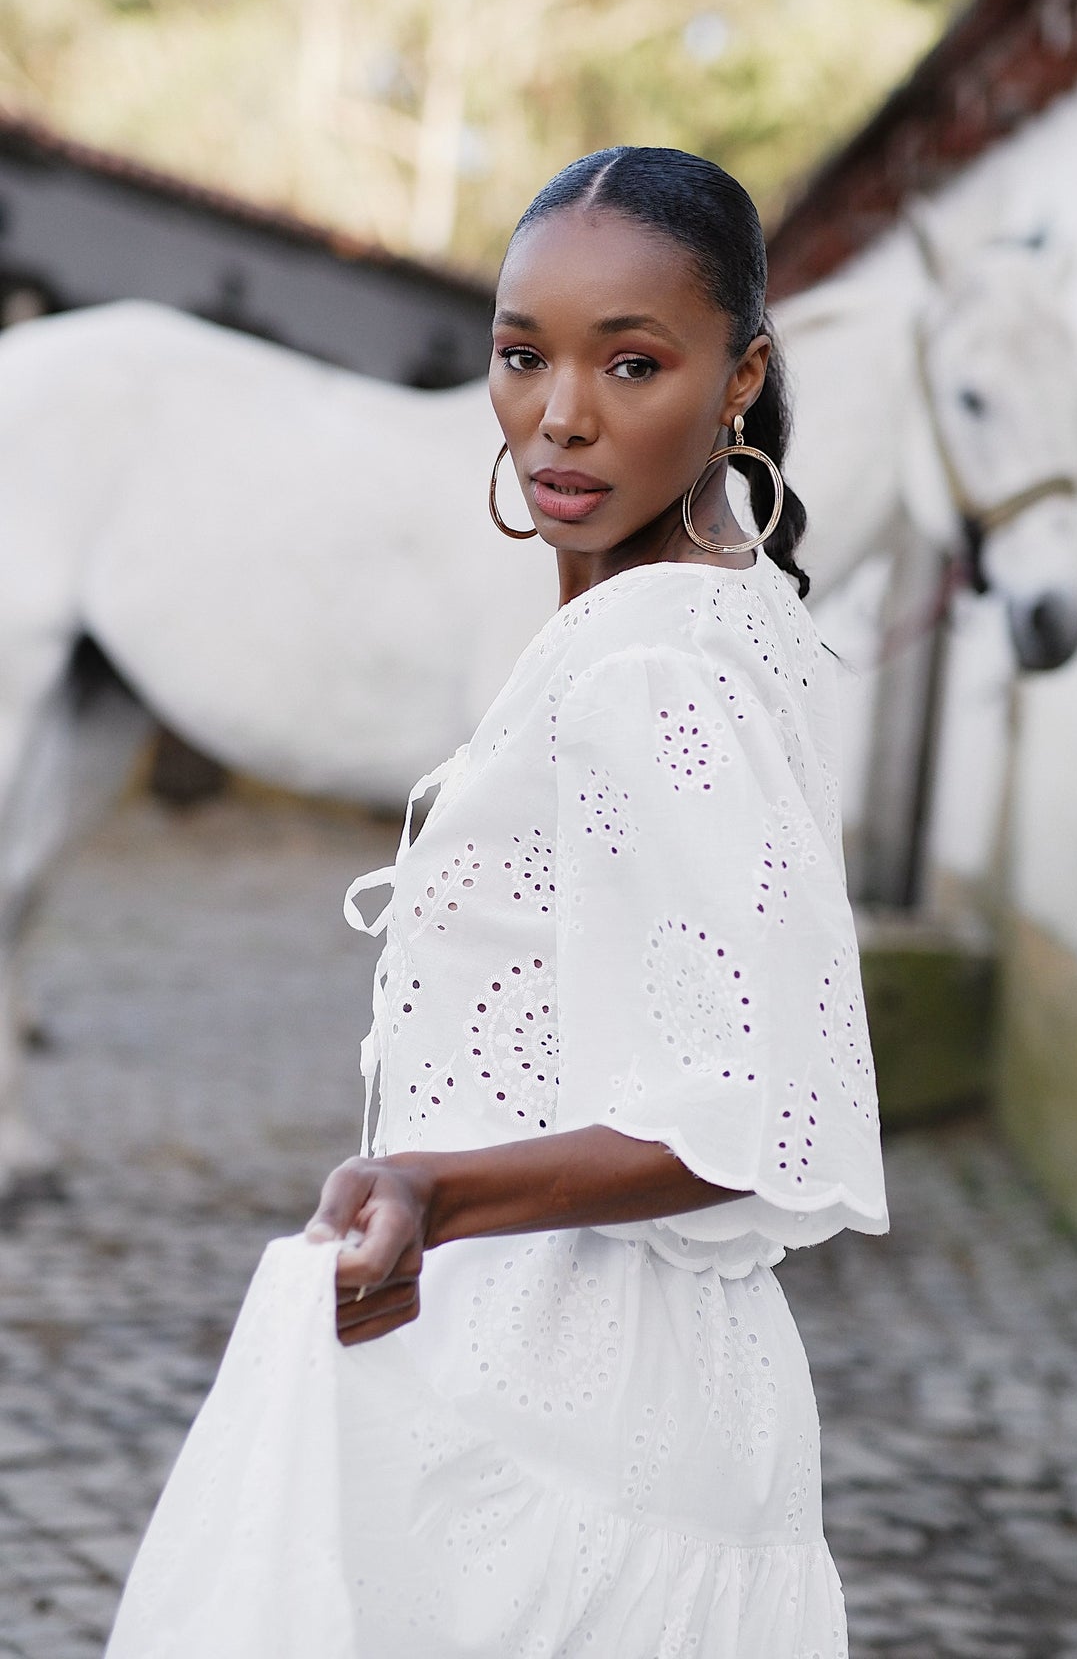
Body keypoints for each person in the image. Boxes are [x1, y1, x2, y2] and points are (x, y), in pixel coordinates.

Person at [106, 147, 888, 1659]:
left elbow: (753, 1114)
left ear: (742, 381)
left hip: (582, 1403)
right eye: (524, 355)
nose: (563, 414)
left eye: (636, 361)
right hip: (532, 1354)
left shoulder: (658, 674)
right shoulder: (702, 621)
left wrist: (433, 1191)